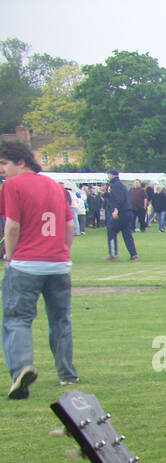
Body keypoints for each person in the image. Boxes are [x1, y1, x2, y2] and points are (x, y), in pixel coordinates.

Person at [1, 138, 78, 398]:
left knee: (17, 319)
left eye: (4, 163)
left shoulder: (12, 185)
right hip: (58, 263)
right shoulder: (55, 186)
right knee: (60, 319)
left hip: (26, 263)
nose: (2, 170)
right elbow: (69, 226)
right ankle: (67, 373)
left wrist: (10, 258)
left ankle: (21, 368)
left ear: (21, 162)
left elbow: (12, 226)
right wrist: (62, 252)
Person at [104, 169, 138, 261]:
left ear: (112, 175)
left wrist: (115, 209)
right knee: (127, 233)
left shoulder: (115, 185)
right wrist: (106, 194)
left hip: (121, 212)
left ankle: (112, 254)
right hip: (128, 212)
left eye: (108, 175)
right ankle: (133, 254)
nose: (108, 176)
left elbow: (118, 199)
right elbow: (116, 197)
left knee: (111, 231)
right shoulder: (121, 185)